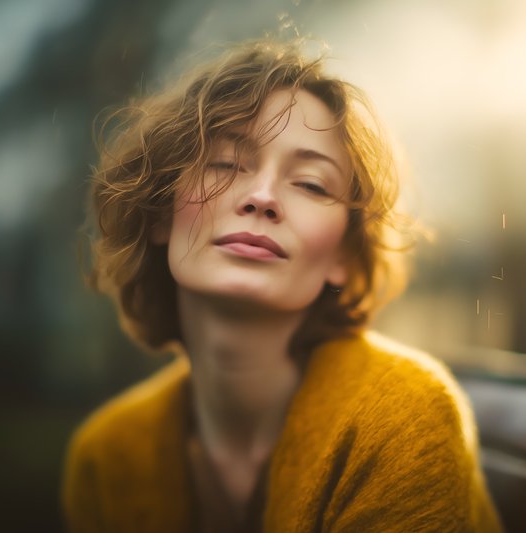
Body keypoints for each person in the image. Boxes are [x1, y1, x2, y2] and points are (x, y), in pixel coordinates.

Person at [62, 37, 502, 533]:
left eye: (312, 184)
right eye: (226, 164)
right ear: (162, 211)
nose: (263, 196)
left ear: (342, 255)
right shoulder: (105, 455)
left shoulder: (404, 417)